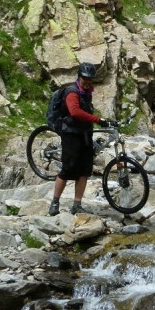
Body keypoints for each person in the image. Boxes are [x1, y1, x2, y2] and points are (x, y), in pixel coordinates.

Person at [48, 62, 109, 216]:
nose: (87, 81)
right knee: (67, 169)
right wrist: (97, 119)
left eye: (90, 79)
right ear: (79, 77)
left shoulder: (87, 92)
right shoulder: (72, 92)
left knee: (84, 171)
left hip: (85, 134)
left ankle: (77, 204)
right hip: (71, 134)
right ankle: (54, 203)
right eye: (85, 78)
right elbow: (75, 112)